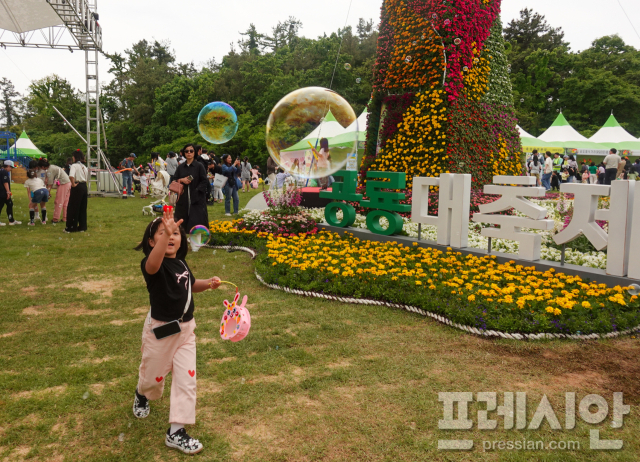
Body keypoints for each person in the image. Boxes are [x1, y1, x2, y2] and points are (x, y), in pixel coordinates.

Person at [133, 210, 221, 455]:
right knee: (153, 378)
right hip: (160, 333)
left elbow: (191, 285)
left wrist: (209, 284)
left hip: (185, 332)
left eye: (175, 234)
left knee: (186, 380)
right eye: (163, 234)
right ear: (152, 242)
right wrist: (165, 233)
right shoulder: (151, 265)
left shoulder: (181, 262)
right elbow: (153, 263)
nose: (171, 237)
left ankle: (176, 431)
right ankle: (142, 393)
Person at [174, 144, 209, 232]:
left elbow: (204, 181)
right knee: (182, 218)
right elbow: (173, 180)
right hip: (183, 197)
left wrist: (197, 190)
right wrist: (181, 180)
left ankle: (196, 238)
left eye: (191, 151)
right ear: (184, 153)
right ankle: (182, 237)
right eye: (186, 151)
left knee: (197, 218)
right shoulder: (180, 167)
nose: (189, 153)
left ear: (195, 153)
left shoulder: (199, 166)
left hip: (196, 197)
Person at [39, 159, 71, 224]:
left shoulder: (49, 170)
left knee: (58, 201)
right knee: (65, 202)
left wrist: (47, 193)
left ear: (42, 166)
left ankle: (55, 218)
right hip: (68, 183)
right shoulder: (52, 167)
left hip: (63, 183)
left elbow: (50, 184)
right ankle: (65, 217)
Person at [66, 150, 89, 233]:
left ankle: (71, 227)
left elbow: (71, 176)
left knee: (73, 207)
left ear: (75, 157)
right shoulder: (84, 166)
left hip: (77, 185)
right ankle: (82, 226)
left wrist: (73, 184)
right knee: (82, 207)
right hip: (84, 186)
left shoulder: (74, 166)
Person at [0, 160, 21, 226]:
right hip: (3, 192)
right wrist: (8, 192)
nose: (11, 169)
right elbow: (5, 183)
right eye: (11, 167)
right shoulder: (4, 172)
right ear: (8, 166)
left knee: (10, 204)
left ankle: (11, 220)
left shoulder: (1, 171)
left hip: (3, 192)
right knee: (1, 206)